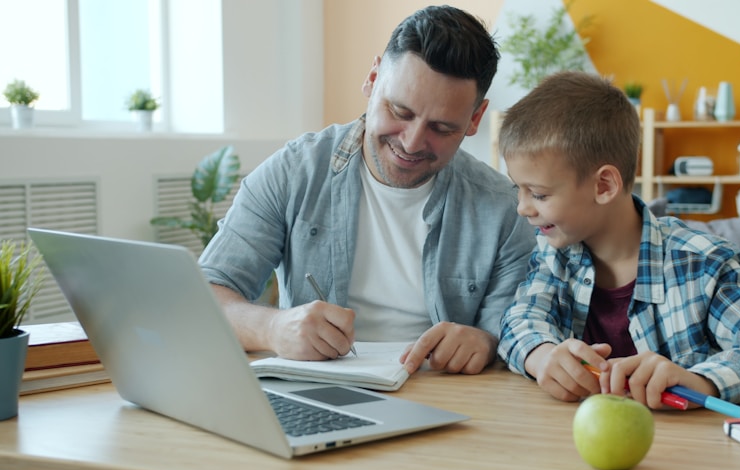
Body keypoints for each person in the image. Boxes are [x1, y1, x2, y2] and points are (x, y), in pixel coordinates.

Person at [198, 6, 535, 375]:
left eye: (441, 128)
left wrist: (485, 342)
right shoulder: (294, 172)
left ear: (474, 119)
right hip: (315, 392)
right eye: (400, 111)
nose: (411, 142)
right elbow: (202, 295)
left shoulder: (505, 208)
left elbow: (515, 330)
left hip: (447, 400)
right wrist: (273, 328)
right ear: (373, 79)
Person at [496, 71, 740, 408]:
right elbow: (519, 320)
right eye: (517, 189)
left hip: (689, 452)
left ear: (604, 186)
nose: (522, 208)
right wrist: (542, 355)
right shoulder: (554, 255)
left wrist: (701, 381)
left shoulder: (701, 263)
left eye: (538, 194)